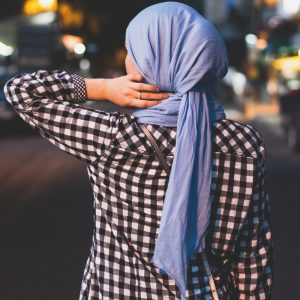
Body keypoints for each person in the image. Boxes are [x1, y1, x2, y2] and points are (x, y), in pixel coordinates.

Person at [4, 2, 273, 300]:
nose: (128, 61)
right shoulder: (246, 144)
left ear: (153, 60)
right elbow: (251, 251)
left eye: (132, 51)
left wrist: (102, 88)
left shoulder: (113, 138)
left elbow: (22, 91)